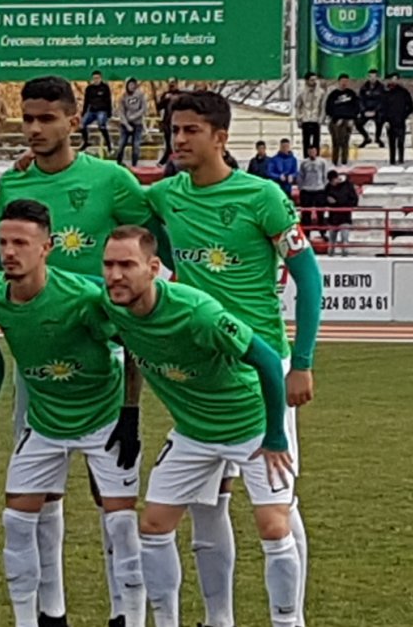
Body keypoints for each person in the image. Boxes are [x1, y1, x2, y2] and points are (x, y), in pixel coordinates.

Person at [0, 75, 169, 627]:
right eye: (28, 119)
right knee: (40, 494)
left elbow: (154, 240)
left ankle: (123, 612)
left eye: (47, 118)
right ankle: (51, 610)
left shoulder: (111, 179)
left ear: (73, 119)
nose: (35, 129)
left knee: (110, 499)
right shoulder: (14, 184)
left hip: (101, 348)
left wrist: (162, 294)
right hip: (40, 359)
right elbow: (2, 257)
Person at [147, 90, 322, 627]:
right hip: (202, 371)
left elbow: (309, 277)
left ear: (221, 137)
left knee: (277, 508)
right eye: (174, 130)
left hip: (259, 365)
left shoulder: (262, 196)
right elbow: (128, 216)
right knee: (206, 502)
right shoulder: (165, 196)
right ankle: (217, 618)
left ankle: (291, 618)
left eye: (191, 131)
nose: (179, 140)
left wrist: (302, 361)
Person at [101, 226, 299, 627]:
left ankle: (287, 622)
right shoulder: (111, 304)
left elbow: (266, 359)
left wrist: (276, 435)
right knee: (153, 526)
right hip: (194, 432)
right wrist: (129, 412)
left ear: (153, 268)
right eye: (108, 264)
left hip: (250, 426)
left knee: (273, 526)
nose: (115, 275)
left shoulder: (198, 312)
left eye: (127, 265)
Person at [0, 199, 145, 627]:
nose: (9, 252)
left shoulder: (83, 300)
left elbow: (132, 342)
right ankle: (35, 619)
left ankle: (127, 618)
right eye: (3, 242)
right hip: (45, 423)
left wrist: (130, 414)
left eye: (21, 243)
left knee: (121, 524)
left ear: (47, 248)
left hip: (103, 419)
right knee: (16, 521)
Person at [379, 73, 413, 165]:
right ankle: (392, 160)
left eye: (396, 79)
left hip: (400, 120)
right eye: (393, 79)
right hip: (390, 121)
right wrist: (385, 120)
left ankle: (401, 159)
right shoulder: (385, 92)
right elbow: (382, 107)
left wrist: (404, 115)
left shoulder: (403, 92)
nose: (394, 81)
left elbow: (411, 106)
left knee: (401, 142)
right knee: (391, 142)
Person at [325, 74, 361, 165]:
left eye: (346, 81)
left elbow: (356, 107)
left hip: (348, 120)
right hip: (336, 120)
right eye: (342, 81)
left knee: (345, 142)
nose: (344, 83)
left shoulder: (351, 94)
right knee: (336, 142)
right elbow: (329, 108)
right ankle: (335, 162)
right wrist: (335, 118)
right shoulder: (333, 94)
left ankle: (344, 162)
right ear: (339, 82)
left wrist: (352, 119)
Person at [297, 145, 330, 239]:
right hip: (306, 190)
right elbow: (300, 176)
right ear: (308, 152)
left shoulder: (322, 162)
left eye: (314, 151)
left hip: (319, 190)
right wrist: (301, 188)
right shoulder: (303, 162)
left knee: (320, 213)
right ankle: (306, 234)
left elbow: (325, 175)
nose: (312, 153)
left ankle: (323, 233)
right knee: (305, 214)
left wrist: (324, 187)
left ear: (316, 151)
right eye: (310, 151)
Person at [325, 170, 358, 256]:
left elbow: (354, 200)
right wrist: (328, 201)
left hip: (345, 217)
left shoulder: (348, 186)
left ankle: (345, 255)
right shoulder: (328, 187)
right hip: (333, 217)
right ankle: (331, 254)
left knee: (344, 239)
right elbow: (324, 198)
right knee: (331, 241)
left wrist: (338, 202)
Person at [295, 72, 327, 158]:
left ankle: (316, 159)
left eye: (315, 79)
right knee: (306, 141)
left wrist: (321, 119)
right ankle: (306, 159)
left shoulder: (321, 92)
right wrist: (299, 118)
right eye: (312, 80)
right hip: (305, 119)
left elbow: (322, 106)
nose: (314, 82)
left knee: (316, 141)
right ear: (307, 81)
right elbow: (298, 106)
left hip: (316, 120)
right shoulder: (301, 92)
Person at [116, 78, 146, 167]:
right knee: (121, 144)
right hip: (125, 125)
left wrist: (134, 116)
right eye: (130, 85)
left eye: (133, 85)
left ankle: (134, 165)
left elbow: (143, 109)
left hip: (137, 124)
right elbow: (121, 112)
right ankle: (118, 163)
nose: (131, 87)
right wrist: (127, 124)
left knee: (136, 146)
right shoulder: (123, 97)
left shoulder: (140, 95)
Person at [80, 70, 113, 151]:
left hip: (102, 110)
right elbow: (86, 101)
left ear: (101, 78)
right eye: (94, 78)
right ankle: (86, 142)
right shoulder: (89, 88)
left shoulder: (105, 87)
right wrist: (83, 113)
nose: (96, 80)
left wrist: (109, 112)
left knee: (101, 126)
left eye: (97, 78)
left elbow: (108, 100)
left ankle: (109, 145)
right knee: (82, 125)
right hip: (92, 111)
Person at [357, 68, 386, 148]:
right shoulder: (363, 87)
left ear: (377, 77)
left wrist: (375, 111)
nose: (372, 78)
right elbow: (360, 100)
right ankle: (366, 138)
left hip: (377, 111)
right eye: (371, 76)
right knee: (358, 123)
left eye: (374, 76)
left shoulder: (381, 87)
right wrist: (364, 111)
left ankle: (378, 138)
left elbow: (383, 101)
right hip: (366, 110)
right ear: (368, 77)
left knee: (380, 121)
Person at [157, 78, 182, 164]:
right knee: (168, 144)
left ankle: (164, 162)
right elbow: (159, 106)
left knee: (173, 144)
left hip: (177, 122)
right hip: (167, 122)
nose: (172, 85)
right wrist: (166, 99)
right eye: (170, 83)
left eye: (173, 83)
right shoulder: (166, 94)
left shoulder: (181, 95)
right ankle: (167, 162)